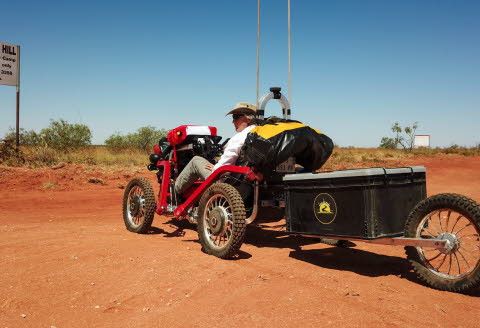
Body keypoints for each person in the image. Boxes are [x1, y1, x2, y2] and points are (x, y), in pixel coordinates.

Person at [174, 102, 257, 195]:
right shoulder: (260, 135)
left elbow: (227, 160)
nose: (233, 121)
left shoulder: (240, 137)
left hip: (229, 181)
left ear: (248, 118)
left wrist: (216, 167)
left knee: (196, 161)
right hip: (248, 182)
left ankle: (174, 192)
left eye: (235, 117)